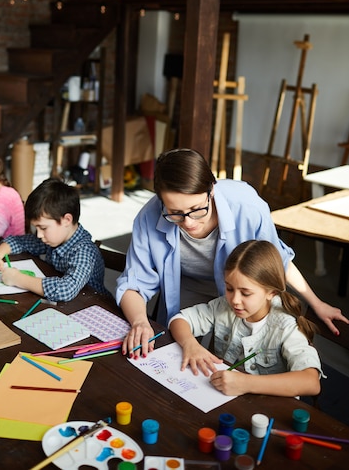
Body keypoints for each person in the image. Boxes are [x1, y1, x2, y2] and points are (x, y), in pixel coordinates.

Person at [117, 148, 348, 357]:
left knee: (241, 356)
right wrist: (139, 321)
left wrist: (316, 303)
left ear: (212, 191)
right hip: (186, 284)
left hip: (240, 289)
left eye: (197, 210)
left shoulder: (247, 206)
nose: (188, 223)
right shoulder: (148, 217)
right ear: (161, 201)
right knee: (175, 352)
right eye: (175, 213)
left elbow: (276, 258)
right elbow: (134, 282)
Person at [169, 240, 323, 398]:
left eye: (245, 293)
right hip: (223, 397)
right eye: (229, 288)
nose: (234, 300)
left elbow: (311, 382)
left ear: (271, 293)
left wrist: (244, 383)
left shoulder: (286, 327)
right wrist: (190, 344)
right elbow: (179, 320)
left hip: (267, 407)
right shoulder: (224, 306)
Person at [0, 177, 109, 302]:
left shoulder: (84, 251)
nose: (39, 235)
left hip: (93, 306)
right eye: (37, 228)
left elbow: (65, 290)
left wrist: (18, 279)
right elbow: (19, 241)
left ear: (66, 220)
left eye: (43, 227)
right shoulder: (55, 238)